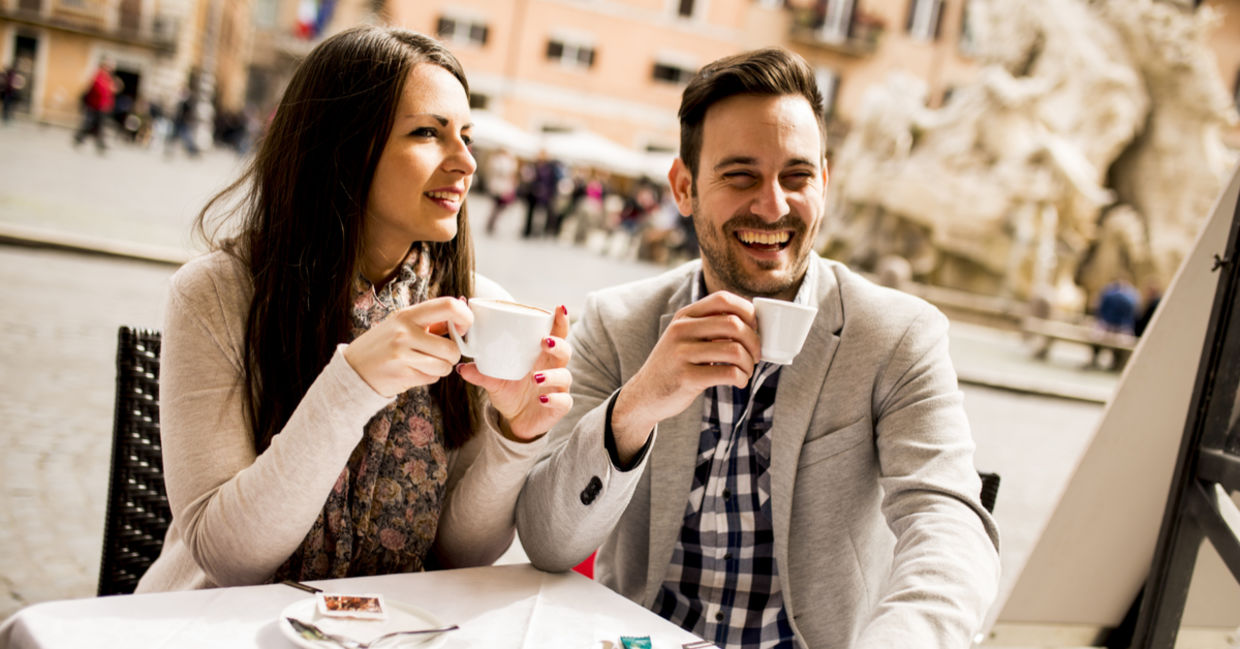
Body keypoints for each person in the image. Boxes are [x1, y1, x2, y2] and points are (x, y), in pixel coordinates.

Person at [516, 48, 999, 649]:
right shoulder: (619, 323)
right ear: (684, 187)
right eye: (741, 176)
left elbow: (948, 526)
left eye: (797, 177)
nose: (773, 205)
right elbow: (548, 543)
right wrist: (637, 406)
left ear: (824, 182)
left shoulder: (898, 335)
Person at [136, 25, 574, 592]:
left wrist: (515, 437)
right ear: (341, 146)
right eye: (428, 132)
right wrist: (353, 385)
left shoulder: (477, 309)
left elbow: (460, 553)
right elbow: (228, 560)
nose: (466, 162)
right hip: (221, 619)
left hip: (391, 623)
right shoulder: (216, 293)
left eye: (467, 136)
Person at [72, 59, 121, 152]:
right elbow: (100, 90)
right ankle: (97, 143)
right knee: (96, 125)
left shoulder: (107, 77)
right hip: (97, 105)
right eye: (109, 67)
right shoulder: (99, 75)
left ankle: (82, 138)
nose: (111, 69)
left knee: (96, 125)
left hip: (102, 106)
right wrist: (111, 88)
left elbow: (108, 92)